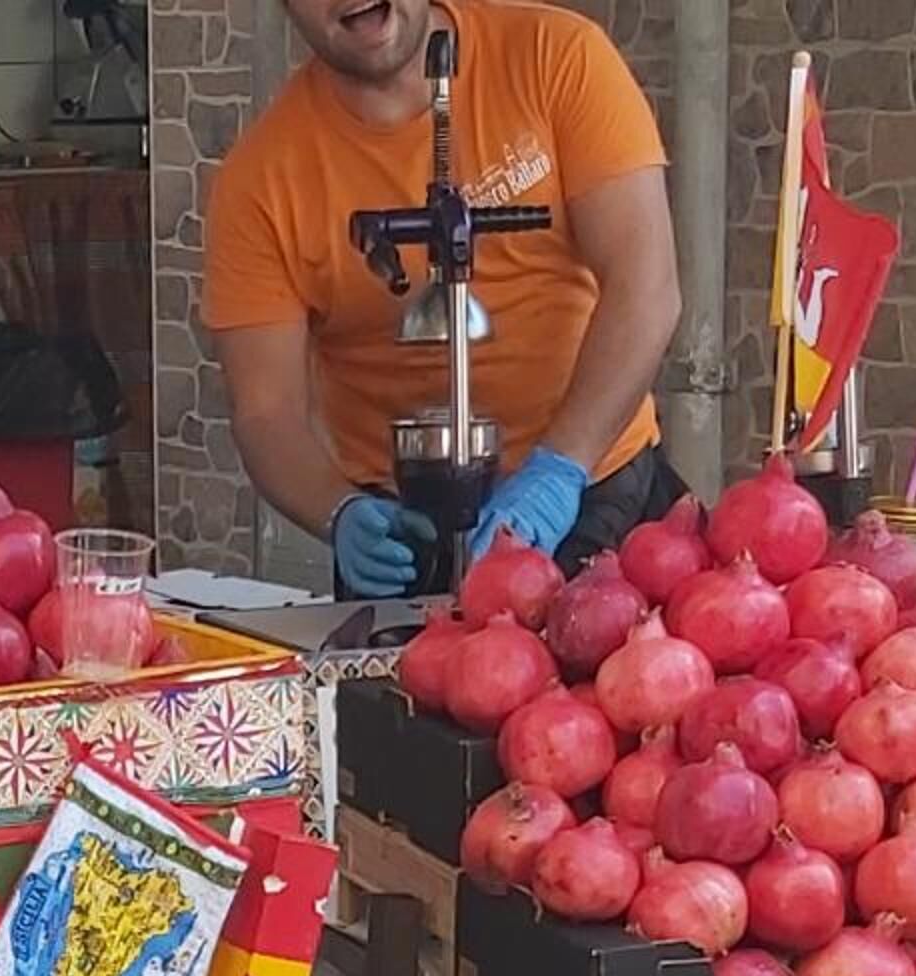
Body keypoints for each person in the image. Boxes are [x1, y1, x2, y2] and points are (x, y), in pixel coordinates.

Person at [206, 0, 684, 593]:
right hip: (409, 534)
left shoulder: (556, 57)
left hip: (596, 486)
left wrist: (559, 469)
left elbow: (647, 287)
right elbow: (265, 411)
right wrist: (339, 510)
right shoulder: (259, 179)